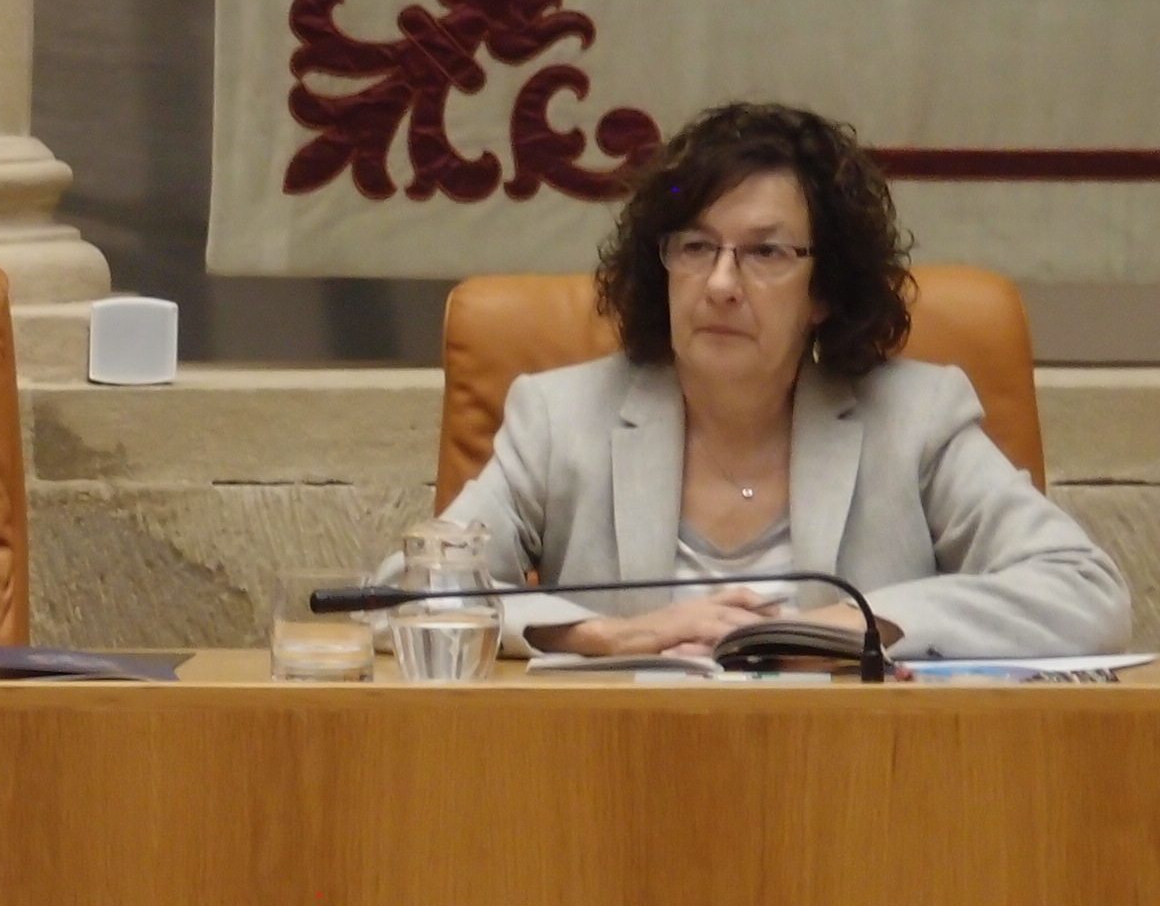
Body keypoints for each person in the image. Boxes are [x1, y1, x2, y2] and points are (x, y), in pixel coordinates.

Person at [436, 101, 1128, 660]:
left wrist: (849, 629)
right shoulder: (561, 417)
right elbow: (408, 594)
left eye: (765, 252)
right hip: (618, 782)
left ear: (823, 288)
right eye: (697, 247)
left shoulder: (915, 418)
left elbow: (1086, 593)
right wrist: (605, 637)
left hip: (855, 788)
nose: (722, 284)